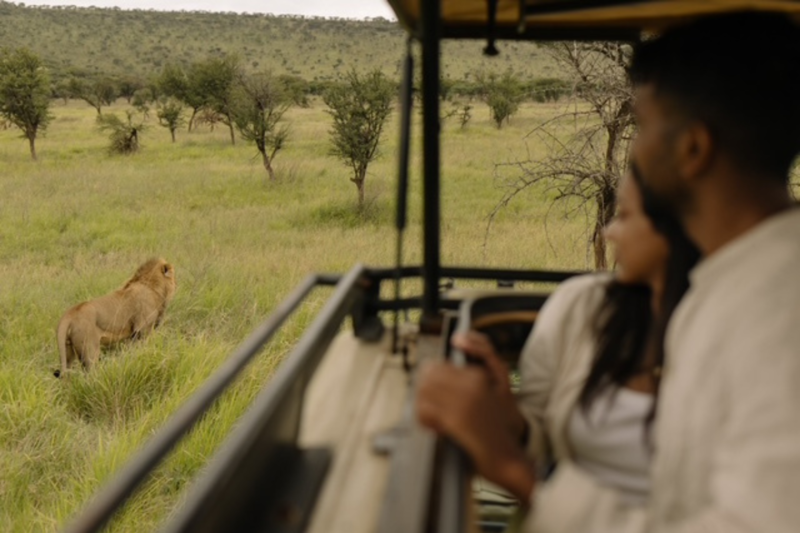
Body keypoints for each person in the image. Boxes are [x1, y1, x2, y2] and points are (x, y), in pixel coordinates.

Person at [418, 12, 800, 533]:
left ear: (693, 148)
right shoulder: (729, 284)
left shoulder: (776, 309)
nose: (635, 149)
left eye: (643, 126)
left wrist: (514, 472)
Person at [417, 166, 699, 522]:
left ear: (678, 226)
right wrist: (506, 409)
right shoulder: (580, 306)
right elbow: (539, 431)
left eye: (625, 216)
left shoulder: (748, 343)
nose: (609, 232)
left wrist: (510, 470)